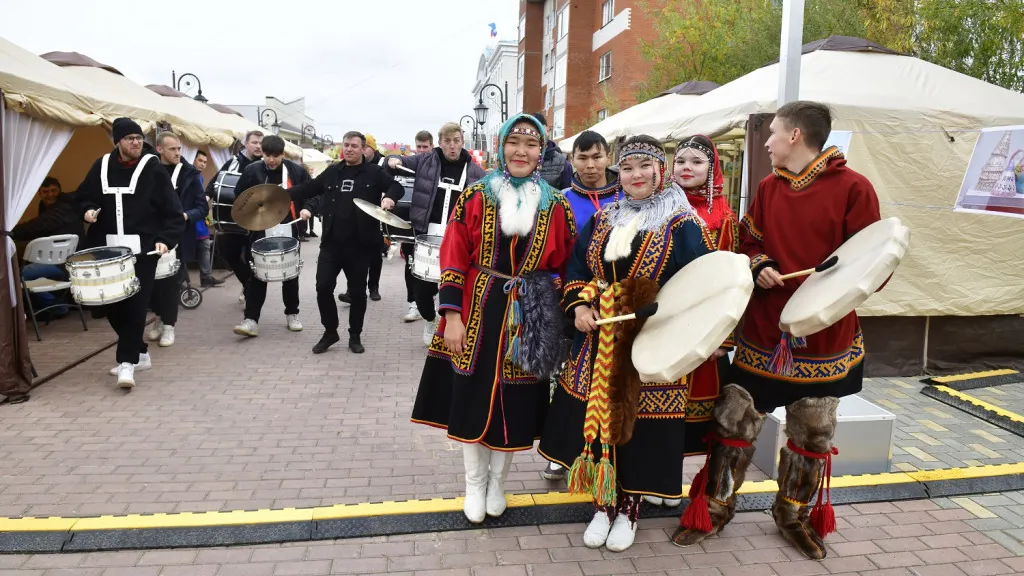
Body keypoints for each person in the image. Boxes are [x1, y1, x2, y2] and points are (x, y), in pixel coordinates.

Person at [671, 101, 882, 560]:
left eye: (773, 133)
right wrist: (761, 263)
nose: (765, 142)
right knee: (734, 422)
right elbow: (751, 239)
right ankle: (716, 507)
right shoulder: (768, 187)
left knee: (812, 433)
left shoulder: (854, 188)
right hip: (765, 331)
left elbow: (872, 261)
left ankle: (793, 514)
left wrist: (826, 295)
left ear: (794, 136)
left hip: (826, 335)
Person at [538, 135, 712, 552]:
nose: (635, 176)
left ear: (659, 171)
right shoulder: (605, 218)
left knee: (640, 429)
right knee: (595, 421)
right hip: (598, 342)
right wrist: (579, 305)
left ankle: (630, 508)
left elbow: (703, 283)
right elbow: (578, 267)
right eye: (628, 168)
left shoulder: (682, 223)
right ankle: (602, 503)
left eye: (643, 167)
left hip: (653, 342)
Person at [410, 114, 577, 525]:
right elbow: (453, 255)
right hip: (477, 306)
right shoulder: (477, 195)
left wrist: (554, 316)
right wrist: (450, 315)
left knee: (516, 403)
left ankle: (499, 483)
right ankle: (474, 483)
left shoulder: (556, 204)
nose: (522, 151)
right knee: (469, 396)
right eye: (514, 142)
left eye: (531, 143)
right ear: (501, 147)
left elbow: (567, 264)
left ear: (542, 151)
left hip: (530, 312)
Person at [540, 129, 622, 483]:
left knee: (613, 379)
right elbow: (553, 252)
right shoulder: (560, 200)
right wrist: (567, 299)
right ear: (571, 160)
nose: (590, 165)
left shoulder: (628, 196)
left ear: (608, 158)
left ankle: (610, 452)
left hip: (618, 305)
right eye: (582, 158)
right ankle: (561, 451)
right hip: (570, 299)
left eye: (596, 157)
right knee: (566, 378)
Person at [77, 118, 184, 388]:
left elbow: (172, 212)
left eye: (139, 137)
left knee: (136, 307)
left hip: (143, 252)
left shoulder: (153, 169)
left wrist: (164, 240)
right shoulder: (100, 166)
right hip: (106, 251)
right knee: (109, 306)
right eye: (130, 138)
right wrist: (87, 210)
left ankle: (126, 364)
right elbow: (82, 197)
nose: (136, 142)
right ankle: (141, 353)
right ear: (118, 142)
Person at [287, 131, 403, 354]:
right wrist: (280, 194)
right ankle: (330, 331)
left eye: (354, 146)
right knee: (323, 287)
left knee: (358, 293)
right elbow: (307, 189)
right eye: (346, 145)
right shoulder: (333, 172)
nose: (349, 149)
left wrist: (389, 197)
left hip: (360, 246)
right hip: (331, 244)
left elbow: (395, 187)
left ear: (363, 149)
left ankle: (355, 336)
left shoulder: (374, 172)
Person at [386, 123, 486, 344]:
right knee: (422, 288)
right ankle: (429, 318)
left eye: (457, 141)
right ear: (440, 142)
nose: (452, 146)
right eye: (447, 141)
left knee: (455, 285)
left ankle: (452, 326)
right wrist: (393, 160)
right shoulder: (426, 160)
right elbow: (396, 162)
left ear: (462, 142)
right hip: (426, 232)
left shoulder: (475, 171)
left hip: (459, 237)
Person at [231, 135, 310, 338]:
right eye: (268, 155)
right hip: (259, 227)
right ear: (262, 153)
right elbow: (240, 197)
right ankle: (251, 320)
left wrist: (308, 209)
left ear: (283, 154)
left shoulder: (296, 170)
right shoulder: (252, 170)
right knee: (257, 274)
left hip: (288, 226)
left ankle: (292, 314)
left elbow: (312, 193)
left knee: (289, 273)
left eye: (276, 156)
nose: (271, 160)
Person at [145, 132, 208, 347]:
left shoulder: (189, 174)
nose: (178, 153)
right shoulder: (149, 170)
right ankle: (159, 320)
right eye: (173, 149)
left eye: (179, 148)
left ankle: (169, 326)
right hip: (152, 235)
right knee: (152, 283)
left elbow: (202, 207)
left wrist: (185, 215)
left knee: (171, 283)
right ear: (159, 149)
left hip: (179, 236)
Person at [207, 130, 263, 304]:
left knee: (252, 258)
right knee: (229, 253)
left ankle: (252, 293)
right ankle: (247, 285)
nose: (258, 146)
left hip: (257, 220)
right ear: (245, 144)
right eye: (254, 142)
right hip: (233, 219)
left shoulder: (266, 164)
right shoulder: (233, 163)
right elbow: (216, 183)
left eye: (261, 143)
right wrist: (206, 198)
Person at [337, 133, 388, 303]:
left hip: (375, 216)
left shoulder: (381, 165)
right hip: (354, 220)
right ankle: (353, 289)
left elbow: (391, 185)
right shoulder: (349, 166)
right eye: (348, 146)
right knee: (354, 256)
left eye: (363, 148)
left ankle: (373, 286)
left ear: (370, 149)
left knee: (374, 256)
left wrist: (387, 198)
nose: (361, 151)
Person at [400, 129, 436, 323]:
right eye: (419, 147)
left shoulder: (436, 165)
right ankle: (413, 303)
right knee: (411, 264)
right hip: (412, 222)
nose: (422, 150)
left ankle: (431, 301)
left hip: (432, 224)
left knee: (434, 263)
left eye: (425, 147)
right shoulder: (411, 165)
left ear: (432, 146)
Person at [531, 112, 573, 190]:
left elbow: (567, 197)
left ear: (547, 129)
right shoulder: (519, 159)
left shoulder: (563, 165)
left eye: (538, 128)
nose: (534, 133)